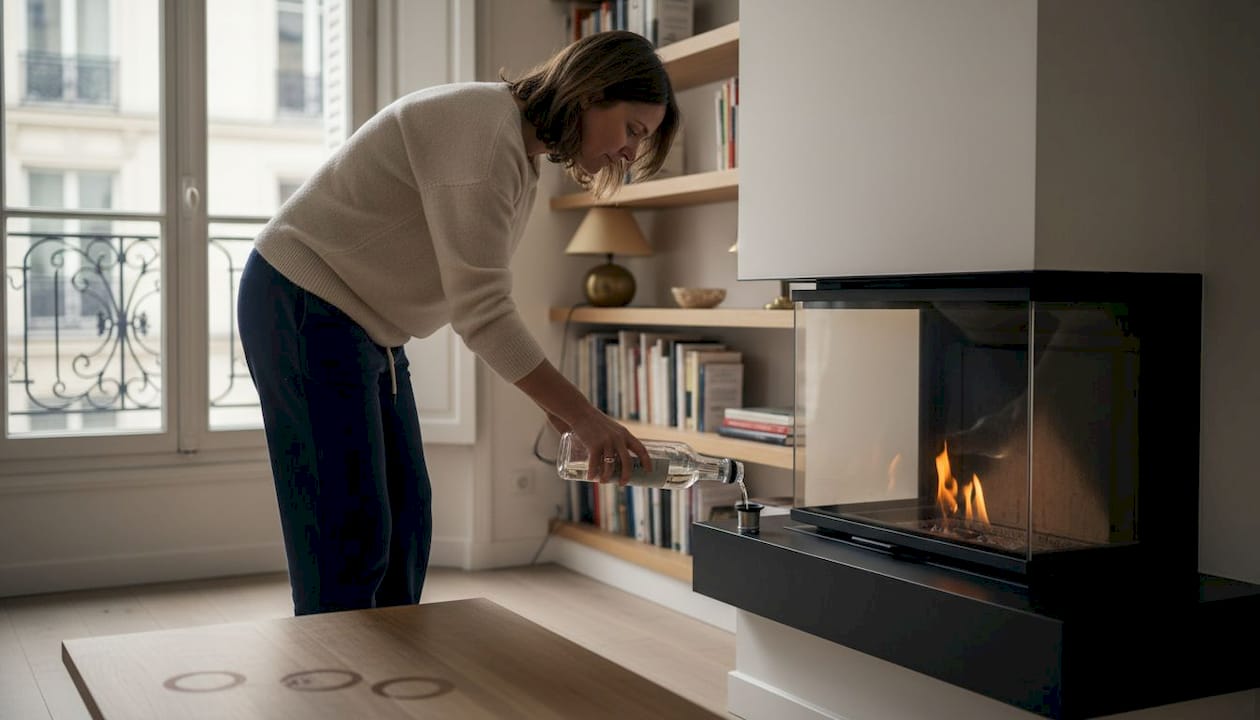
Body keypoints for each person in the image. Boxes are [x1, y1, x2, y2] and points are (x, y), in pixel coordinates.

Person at [237, 30, 681, 616]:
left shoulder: (519, 153)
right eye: (632, 131)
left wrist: (566, 415)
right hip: (304, 299)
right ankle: (337, 691)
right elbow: (483, 312)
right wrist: (585, 416)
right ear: (592, 93)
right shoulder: (486, 132)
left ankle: (389, 685)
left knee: (406, 529)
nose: (629, 154)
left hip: (366, 327)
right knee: (348, 535)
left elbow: (480, 304)